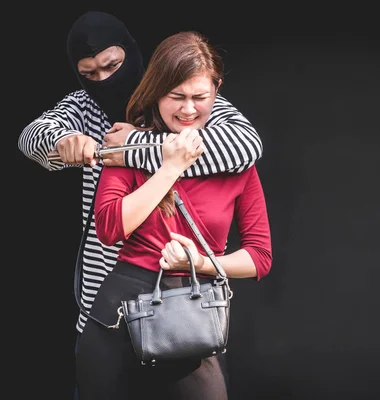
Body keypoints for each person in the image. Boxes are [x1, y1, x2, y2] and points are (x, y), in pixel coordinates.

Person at [17, 11, 263, 341]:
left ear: (131, 53)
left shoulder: (180, 95)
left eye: (112, 65)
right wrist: (62, 141)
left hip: (179, 306)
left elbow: (245, 144)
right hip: (102, 293)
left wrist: (131, 144)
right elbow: (30, 136)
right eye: (89, 73)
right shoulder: (82, 105)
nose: (103, 79)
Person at [76, 30, 272, 399]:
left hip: (192, 321)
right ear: (156, 93)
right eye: (176, 97)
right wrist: (169, 167)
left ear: (217, 90)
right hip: (117, 318)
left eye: (200, 97)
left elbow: (260, 258)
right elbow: (110, 227)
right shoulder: (129, 149)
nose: (187, 109)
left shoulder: (237, 160)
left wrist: (201, 261)